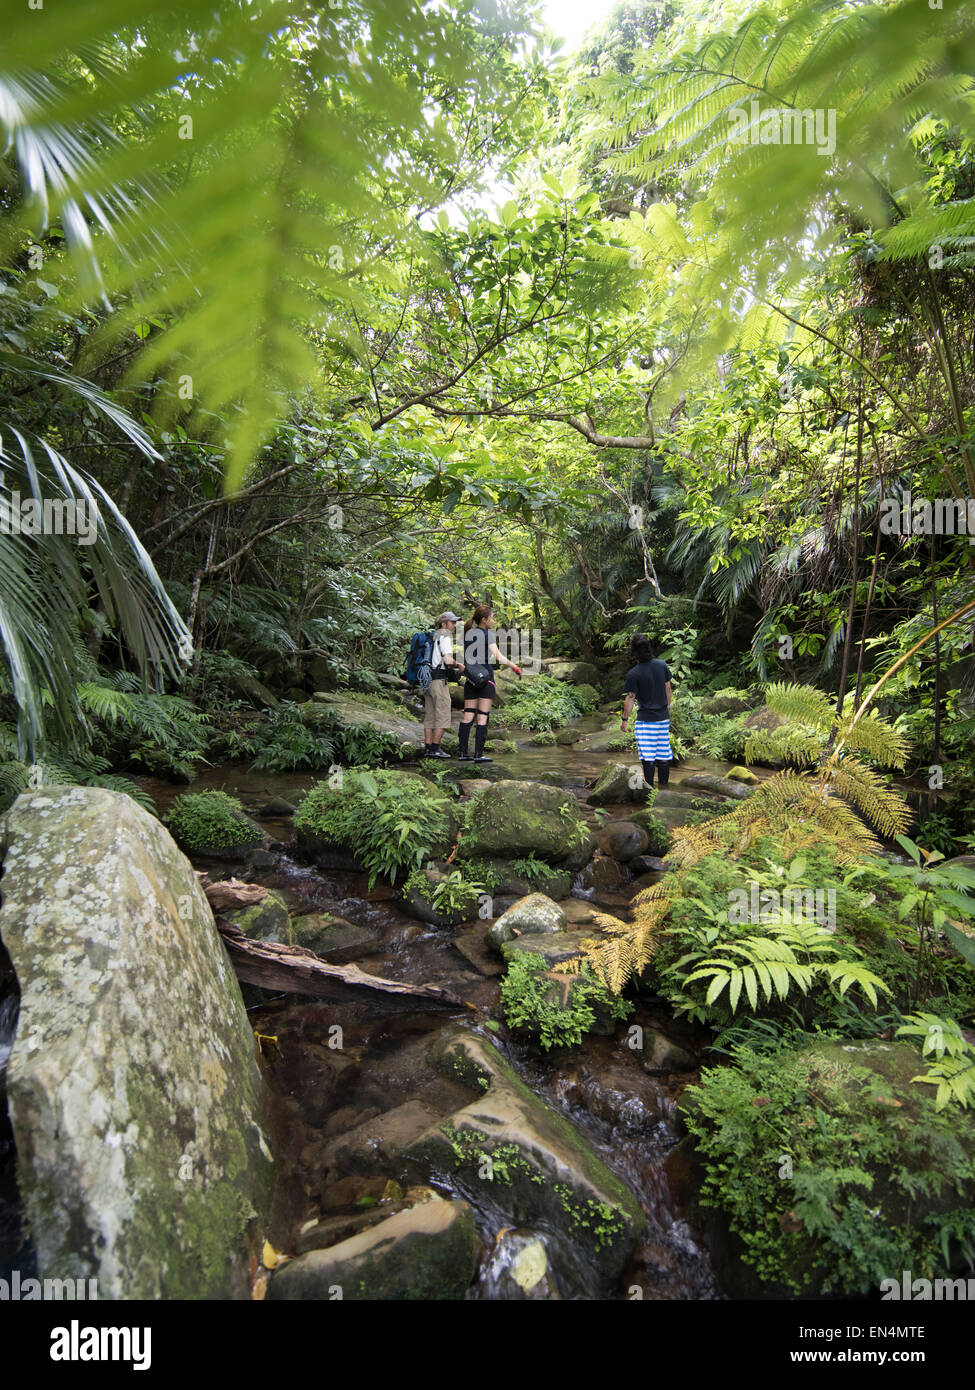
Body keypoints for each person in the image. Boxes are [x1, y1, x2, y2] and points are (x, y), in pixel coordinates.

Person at [457, 604, 522, 762]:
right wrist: (514, 667)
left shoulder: (468, 634)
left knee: (468, 716)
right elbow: (498, 657)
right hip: (486, 679)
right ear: (484, 620)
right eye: (492, 618)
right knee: (483, 716)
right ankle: (479, 755)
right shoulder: (488, 634)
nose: (493, 621)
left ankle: (463, 754)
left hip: (471, 679)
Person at [620, 634, 672, 787]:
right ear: (649, 648)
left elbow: (630, 698)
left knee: (648, 756)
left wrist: (624, 719)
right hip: (663, 718)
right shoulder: (662, 665)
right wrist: (668, 707)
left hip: (646, 720)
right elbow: (668, 687)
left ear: (634, 652)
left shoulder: (634, 673)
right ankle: (664, 788)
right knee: (663, 754)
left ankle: (649, 790)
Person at [424, 611, 464, 758]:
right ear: (444, 624)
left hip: (427, 680)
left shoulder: (433, 635)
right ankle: (435, 748)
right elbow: (447, 660)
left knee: (430, 715)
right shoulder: (445, 636)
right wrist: (458, 665)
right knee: (443, 714)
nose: (454, 625)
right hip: (438, 681)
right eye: (452, 622)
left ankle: (428, 749)